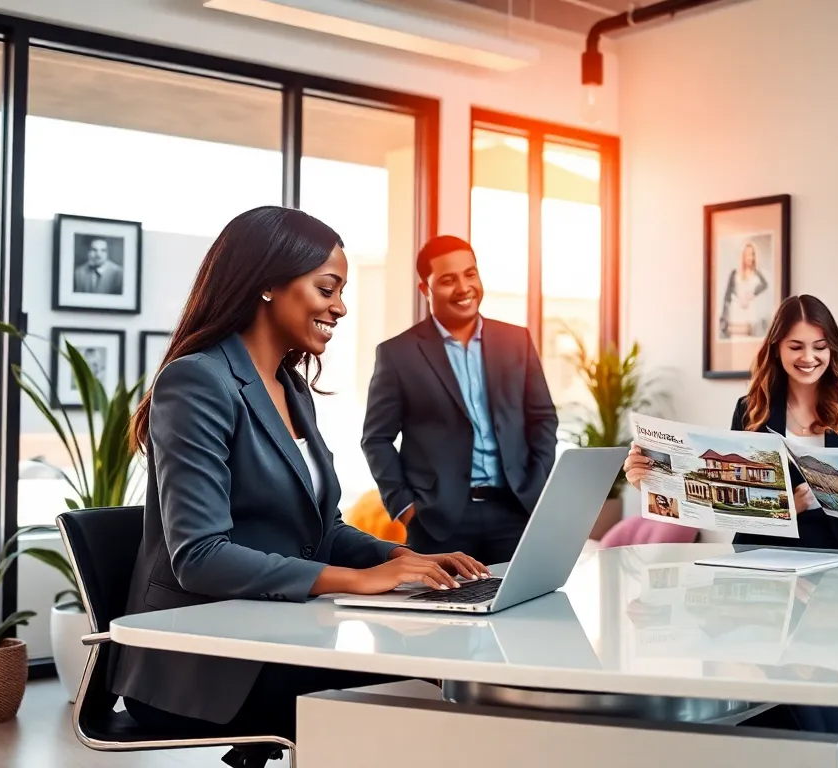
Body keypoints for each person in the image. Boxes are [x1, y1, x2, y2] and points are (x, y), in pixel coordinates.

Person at [117, 207, 491, 767]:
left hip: (280, 635)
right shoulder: (197, 380)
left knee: (446, 667)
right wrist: (363, 580)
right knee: (420, 687)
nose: (340, 306)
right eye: (327, 288)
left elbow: (323, 530)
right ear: (268, 283)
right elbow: (199, 556)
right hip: (205, 667)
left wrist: (406, 558)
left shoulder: (292, 388)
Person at [623, 293, 838, 753]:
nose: (809, 357)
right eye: (796, 346)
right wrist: (653, 481)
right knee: (816, 714)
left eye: (819, 346)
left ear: (833, 349)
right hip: (771, 582)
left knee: (834, 713)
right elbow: (723, 496)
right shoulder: (751, 408)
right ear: (776, 348)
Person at [361, 234, 558, 565]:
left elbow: (543, 418)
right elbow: (376, 438)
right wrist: (406, 508)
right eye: (448, 280)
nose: (464, 288)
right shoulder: (398, 354)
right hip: (437, 521)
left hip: (515, 511)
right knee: (441, 615)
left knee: (522, 610)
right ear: (425, 289)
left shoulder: (516, 341)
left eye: (470, 274)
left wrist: (535, 482)